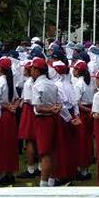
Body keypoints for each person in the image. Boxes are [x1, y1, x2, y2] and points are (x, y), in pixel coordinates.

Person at [31, 57, 62, 187]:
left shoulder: (38, 85)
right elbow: (59, 103)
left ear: (37, 71)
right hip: (53, 118)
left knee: (45, 152)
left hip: (43, 120)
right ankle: (51, 180)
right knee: (52, 150)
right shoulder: (52, 84)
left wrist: (50, 109)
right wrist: (54, 109)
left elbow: (38, 107)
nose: (31, 71)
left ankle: (43, 183)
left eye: (33, 69)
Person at [0, 57, 21, 185]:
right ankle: (9, 172)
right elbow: (17, 98)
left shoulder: (0, 83)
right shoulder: (10, 82)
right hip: (10, 116)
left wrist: (8, 106)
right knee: (9, 144)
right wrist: (13, 106)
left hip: (2, 115)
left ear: (0, 69)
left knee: (0, 144)